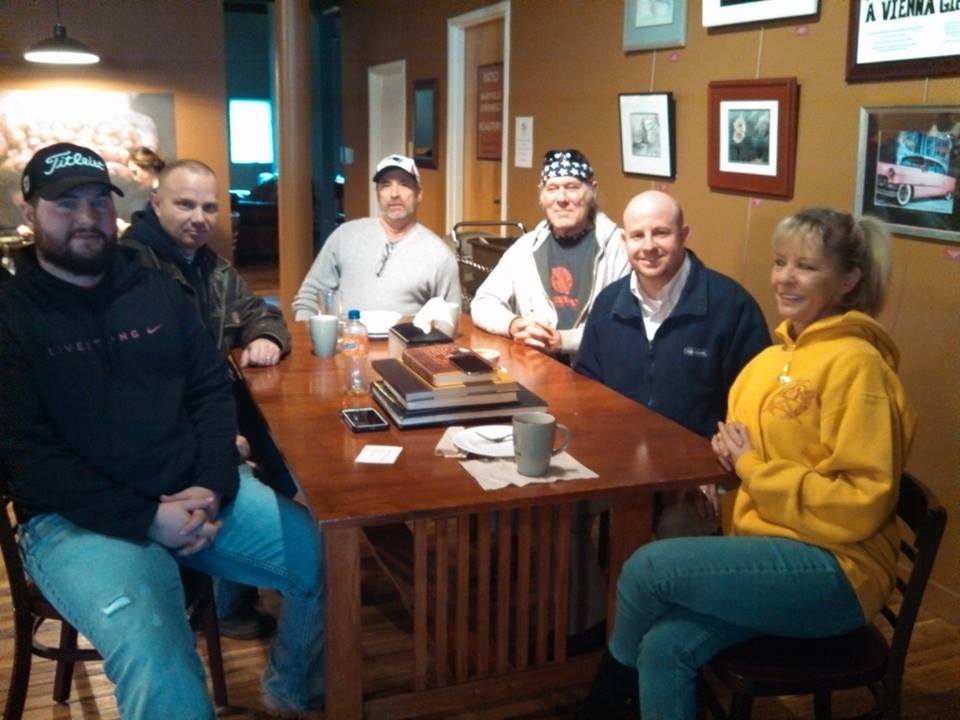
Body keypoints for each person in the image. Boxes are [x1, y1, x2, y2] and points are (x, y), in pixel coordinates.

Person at [0, 143, 325, 718]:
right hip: (77, 522)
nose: (85, 218)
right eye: (64, 204)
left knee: (328, 559)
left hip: (197, 494)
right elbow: (25, 458)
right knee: (161, 658)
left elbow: (209, 391)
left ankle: (286, 690)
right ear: (28, 214)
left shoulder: (154, 288)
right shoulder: (10, 312)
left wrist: (209, 483)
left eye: (98, 202)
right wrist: (148, 517)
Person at [581, 208, 915, 719]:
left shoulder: (857, 365)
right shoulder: (772, 361)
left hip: (835, 570)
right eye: (781, 262)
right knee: (666, 646)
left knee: (648, 568)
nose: (785, 277)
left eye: (807, 266)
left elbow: (861, 504)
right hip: (765, 550)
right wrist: (726, 462)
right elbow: (744, 452)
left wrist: (752, 466)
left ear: (849, 280)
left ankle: (605, 701)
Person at [122, 158, 291, 640]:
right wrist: (213, 442)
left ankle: (227, 601)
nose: (199, 217)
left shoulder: (211, 267)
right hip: (158, 459)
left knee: (276, 457)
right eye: (185, 204)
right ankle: (209, 601)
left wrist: (265, 336)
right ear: (156, 203)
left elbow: (261, 312)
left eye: (209, 207)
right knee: (265, 471)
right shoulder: (129, 269)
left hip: (212, 427)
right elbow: (138, 392)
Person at [470, 149, 629, 357]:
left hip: (596, 372)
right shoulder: (525, 248)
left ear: (593, 189)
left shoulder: (620, 247)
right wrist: (513, 324)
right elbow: (483, 303)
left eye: (572, 187)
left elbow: (627, 325)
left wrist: (565, 341)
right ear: (542, 195)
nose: (561, 198)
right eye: (552, 188)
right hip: (538, 370)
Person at [292, 153, 459, 319]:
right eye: (386, 185)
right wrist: (311, 339)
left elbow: (449, 319)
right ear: (378, 193)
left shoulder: (439, 255)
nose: (394, 194)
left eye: (404, 184)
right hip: (347, 341)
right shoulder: (344, 236)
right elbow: (309, 298)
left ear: (419, 194)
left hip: (406, 343)